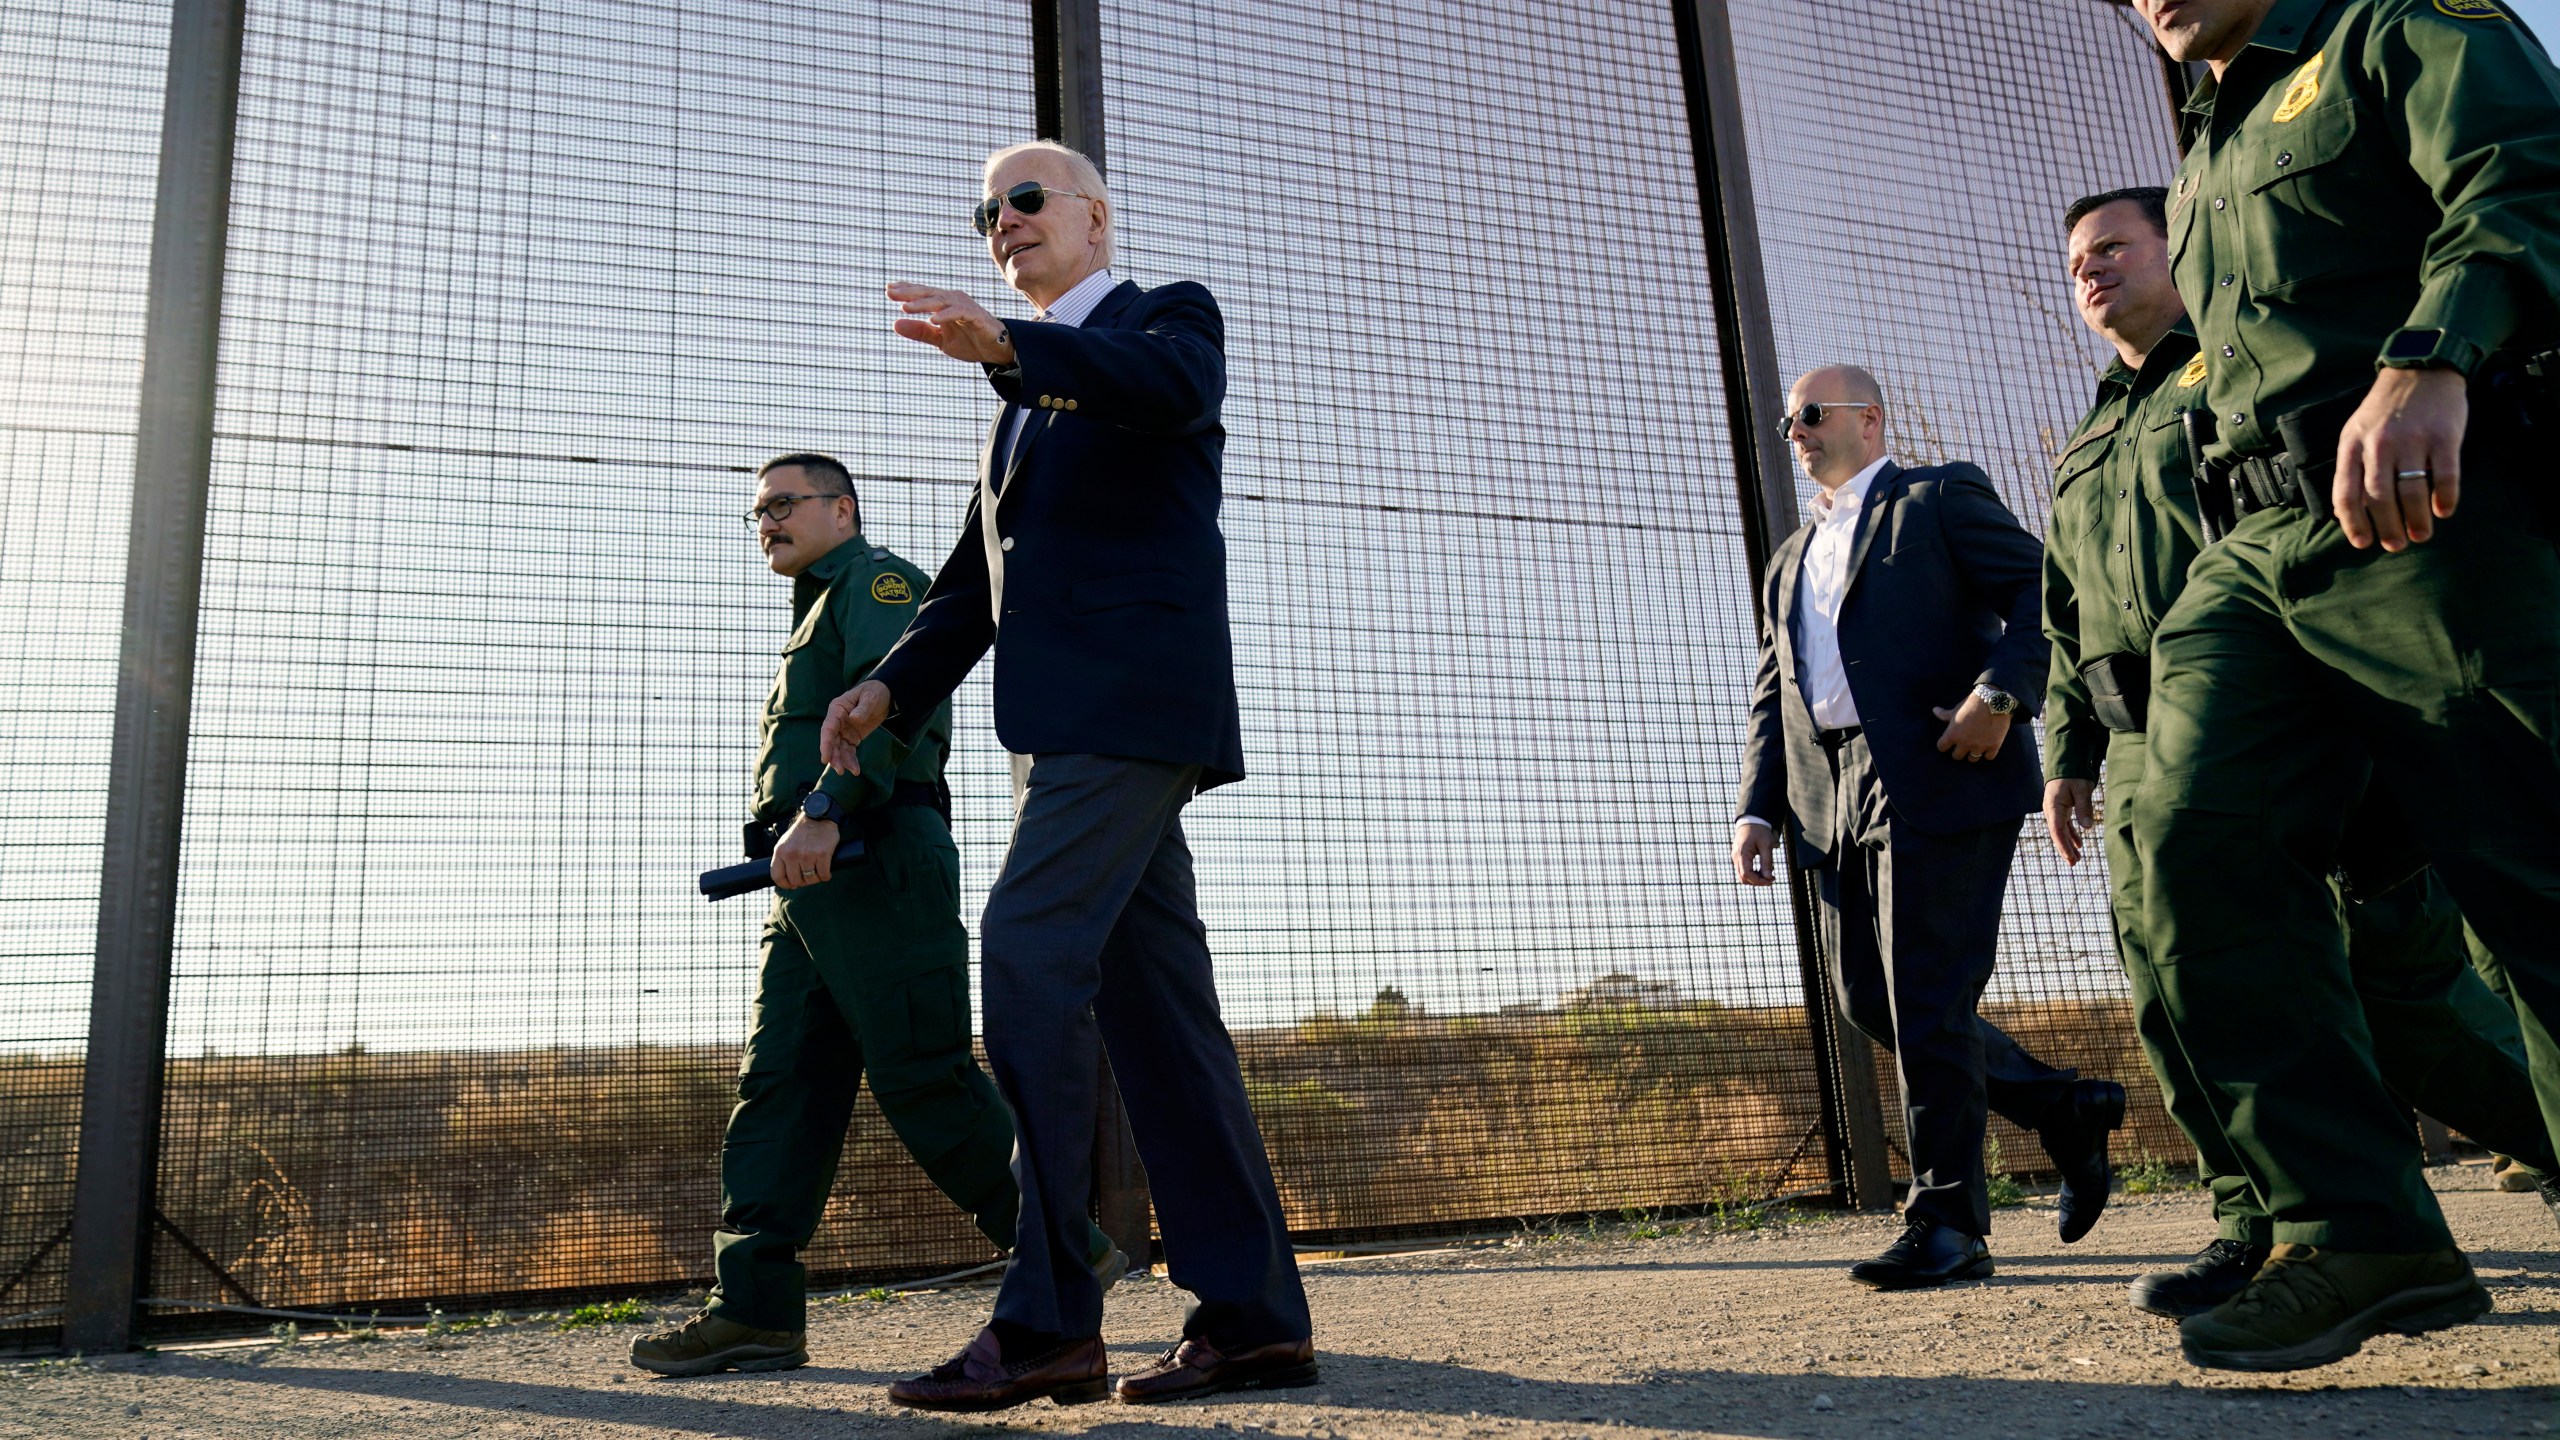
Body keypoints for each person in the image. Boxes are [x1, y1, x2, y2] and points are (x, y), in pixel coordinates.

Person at [818, 141, 1314, 1411]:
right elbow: (973, 585)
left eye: (1024, 200)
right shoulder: (1018, 416)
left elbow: (1165, 388)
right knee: (1163, 1020)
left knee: (1027, 955)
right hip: (1070, 729)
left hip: (1134, 714)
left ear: (1093, 215)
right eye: (986, 213)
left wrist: (1007, 350)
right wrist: (888, 688)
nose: (1002, 224)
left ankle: (1047, 1321)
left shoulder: (1160, 322)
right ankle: (1254, 1317)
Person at [2125, 0, 2560, 1371]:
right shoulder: (2202, 144)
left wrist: (2436, 353)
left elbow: (2524, 172)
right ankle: (2359, 1230)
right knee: (2188, 841)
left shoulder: (2394, 24)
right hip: (2256, 546)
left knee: (2535, 873)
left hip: (2431, 503)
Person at [629, 453, 1120, 1379]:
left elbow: (901, 703)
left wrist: (827, 809)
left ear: (842, 509)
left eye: (784, 503)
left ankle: (1067, 1250)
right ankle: (755, 1311)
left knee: (923, 1074)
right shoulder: (814, 603)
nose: (767, 520)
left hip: (869, 850)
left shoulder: (879, 579)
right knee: (780, 1085)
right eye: (758, 511)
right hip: (806, 876)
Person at [1734, 365, 2127, 1291]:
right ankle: (2065, 1108)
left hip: (1946, 768)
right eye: (1789, 417)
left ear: (1868, 422)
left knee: (1924, 999)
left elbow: (2046, 590)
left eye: (1812, 413)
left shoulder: (1938, 495)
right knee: (1869, 1001)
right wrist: (1758, 803)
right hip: (1825, 790)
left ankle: (1949, 1222)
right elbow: (1772, 687)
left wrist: (2000, 694)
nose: (1795, 428)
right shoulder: (1788, 557)